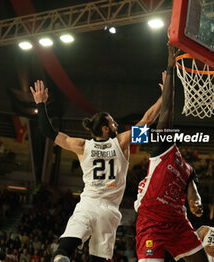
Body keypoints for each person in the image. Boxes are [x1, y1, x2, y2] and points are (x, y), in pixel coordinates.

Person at [30, 78, 163, 262]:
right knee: (98, 259)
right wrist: (164, 97)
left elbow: (48, 132)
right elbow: (147, 120)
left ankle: (62, 257)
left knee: (64, 248)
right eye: (113, 123)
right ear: (105, 128)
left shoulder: (81, 146)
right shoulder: (122, 142)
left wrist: (41, 104)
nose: (116, 125)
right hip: (108, 211)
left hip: (88, 204)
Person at [134, 43, 209, 262]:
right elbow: (167, 108)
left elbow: (192, 186)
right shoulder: (163, 147)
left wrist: (197, 201)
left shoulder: (186, 167)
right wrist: (170, 67)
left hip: (178, 222)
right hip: (152, 221)